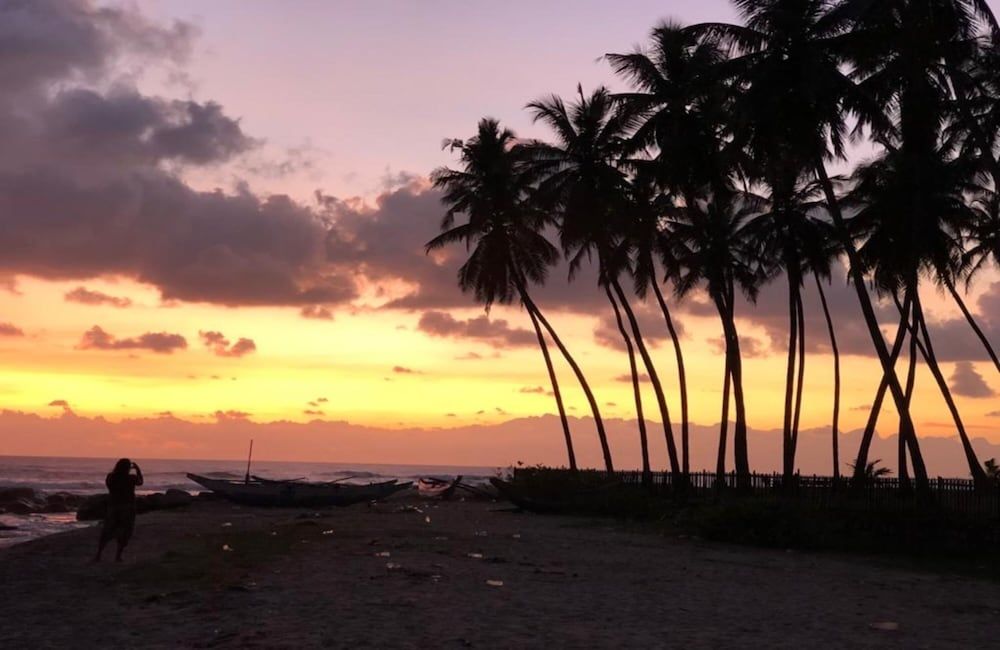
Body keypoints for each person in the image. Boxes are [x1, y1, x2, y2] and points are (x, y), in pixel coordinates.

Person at [94, 458, 143, 562]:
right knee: (125, 531)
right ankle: (118, 556)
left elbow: (109, 486)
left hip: (113, 506)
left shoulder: (111, 477)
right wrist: (138, 469)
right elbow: (140, 482)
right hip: (128, 506)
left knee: (107, 530)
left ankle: (98, 554)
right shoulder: (131, 478)